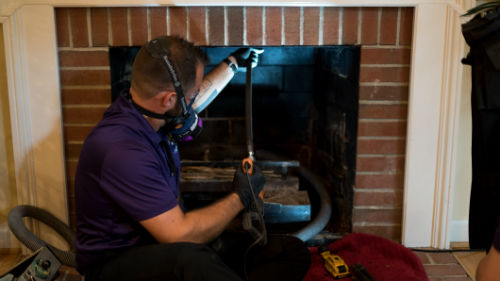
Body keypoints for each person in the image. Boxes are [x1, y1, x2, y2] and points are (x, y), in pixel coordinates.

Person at [74, 35, 311, 281]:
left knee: (290, 253)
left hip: (161, 245)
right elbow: (179, 235)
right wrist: (242, 196)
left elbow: (191, 101)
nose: (195, 102)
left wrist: (233, 63)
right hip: (117, 264)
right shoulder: (122, 151)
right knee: (194, 261)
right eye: (192, 95)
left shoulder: (149, 114)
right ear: (168, 100)